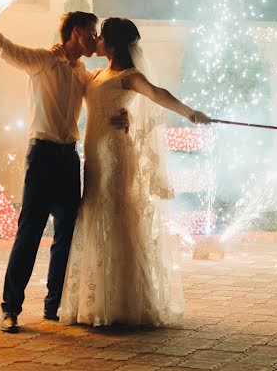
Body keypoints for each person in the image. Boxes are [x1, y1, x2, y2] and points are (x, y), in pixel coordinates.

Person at [0, 3, 124, 333]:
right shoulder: (42, 61)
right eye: (92, 33)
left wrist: (124, 114)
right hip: (42, 156)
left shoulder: (82, 73)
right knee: (29, 233)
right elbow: (6, 48)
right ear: (77, 33)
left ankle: (54, 306)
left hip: (69, 160)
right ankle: (10, 309)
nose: (96, 40)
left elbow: (108, 92)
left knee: (66, 235)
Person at [58, 17, 211, 327]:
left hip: (115, 154)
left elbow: (157, 94)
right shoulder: (96, 74)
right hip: (95, 157)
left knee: (116, 215)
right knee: (96, 213)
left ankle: (124, 303)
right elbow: (72, 73)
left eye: (101, 37)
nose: (96, 40)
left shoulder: (130, 75)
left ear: (111, 43)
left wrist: (190, 113)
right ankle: (97, 300)